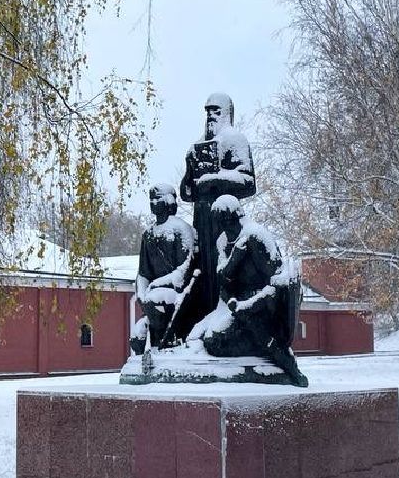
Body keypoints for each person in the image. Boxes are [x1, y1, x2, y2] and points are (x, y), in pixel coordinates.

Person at [195, 195, 306, 386]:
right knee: (208, 340)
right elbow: (222, 277)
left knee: (225, 338)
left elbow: (277, 283)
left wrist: (250, 306)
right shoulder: (223, 242)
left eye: (226, 221)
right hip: (235, 304)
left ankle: (287, 365)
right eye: (220, 223)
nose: (224, 227)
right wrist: (236, 257)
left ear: (235, 217)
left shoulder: (256, 237)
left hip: (262, 304)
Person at [173, 92, 254, 342]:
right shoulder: (196, 145)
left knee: (225, 268)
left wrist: (216, 178)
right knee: (203, 269)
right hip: (202, 220)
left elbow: (249, 183)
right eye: (207, 110)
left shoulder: (235, 140)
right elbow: (186, 193)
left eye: (216, 110)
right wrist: (189, 173)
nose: (210, 115)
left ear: (227, 112)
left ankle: (225, 321)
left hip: (226, 219)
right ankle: (201, 323)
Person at [131, 183, 196, 353]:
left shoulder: (181, 230)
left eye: (157, 198)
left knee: (155, 303)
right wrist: (141, 293)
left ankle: (166, 347)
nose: (153, 202)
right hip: (153, 293)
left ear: (169, 200)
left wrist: (156, 285)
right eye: (151, 199)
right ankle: (151, 348)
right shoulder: (148, 234)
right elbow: (143, 272)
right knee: (148, 310)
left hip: (176, 292)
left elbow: (184, 270)